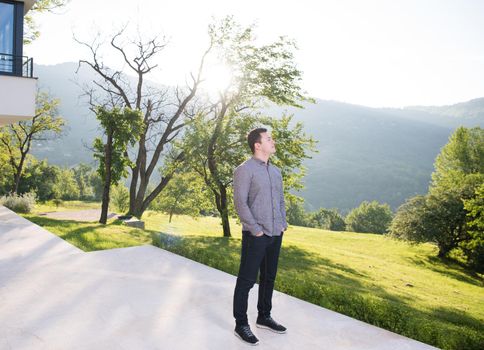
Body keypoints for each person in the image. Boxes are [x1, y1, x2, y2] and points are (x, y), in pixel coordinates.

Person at [232, 127, 288, 345]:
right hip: (255, 235)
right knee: (247, 280)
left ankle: (264, 316)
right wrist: (255, 229)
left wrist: (282, 223)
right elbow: (240, 203)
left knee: (269, 277)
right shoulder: (244, 170)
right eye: (269, 138)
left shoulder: (275, 171)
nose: (273, 142)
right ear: (257, 144)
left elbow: (281, 200)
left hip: (276, 233)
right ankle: (241, 324)